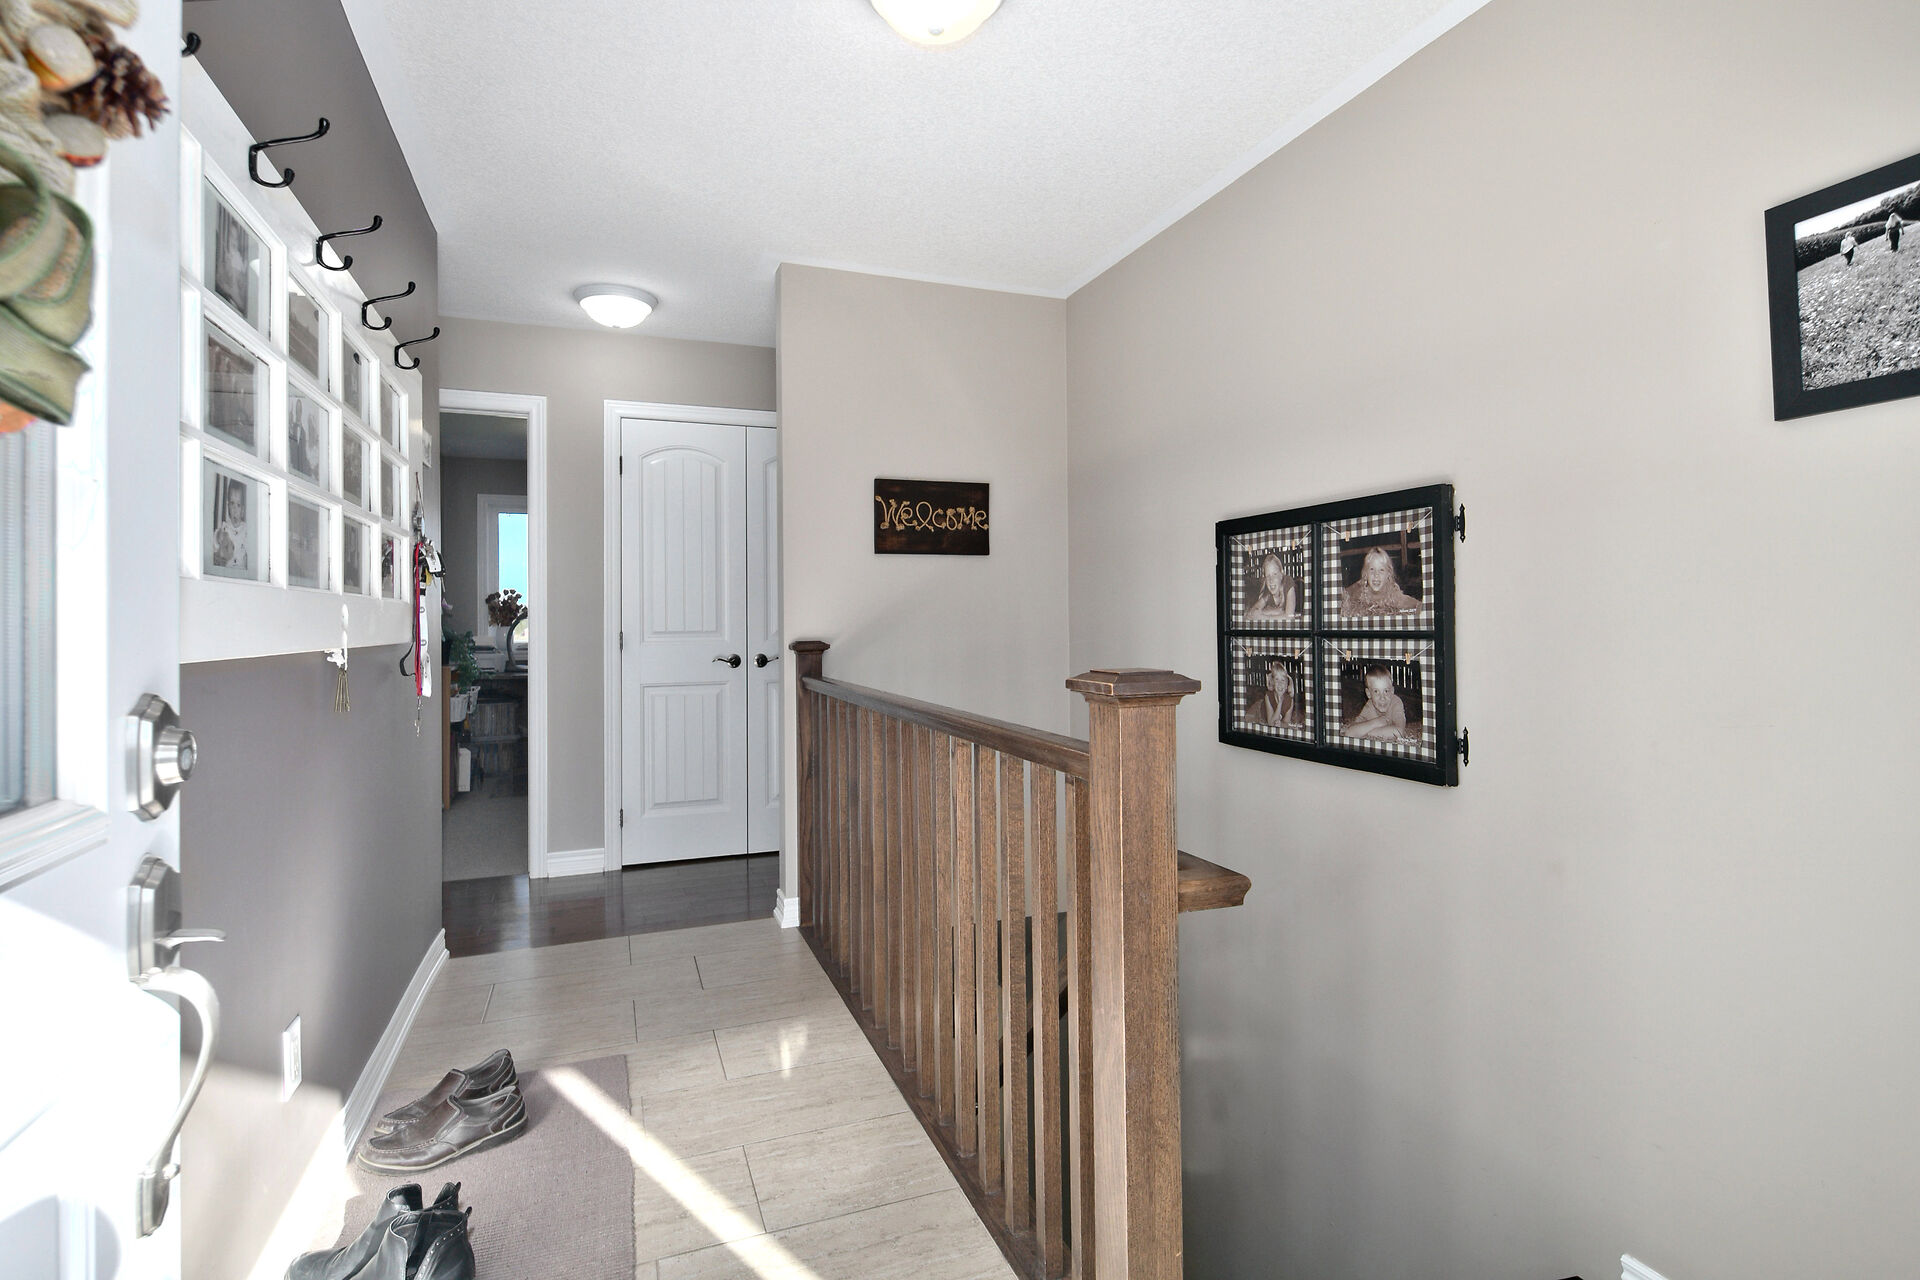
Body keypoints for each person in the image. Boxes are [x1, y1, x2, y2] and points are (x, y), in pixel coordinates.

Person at [1340, 546, 1420, 616]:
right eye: (1372, 569)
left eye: (1381, 570)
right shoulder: (1357, 592)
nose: (1376, 575)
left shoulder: (1396, 597)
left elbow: (1419, 607)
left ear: (1388, 574)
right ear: (1366, 574)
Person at [1342, 663, 1408, 740]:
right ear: (1369, 694)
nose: (1382, 698)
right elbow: (1350, 732)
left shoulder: (1396, 703)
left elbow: (1399, 732)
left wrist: (1368, 732)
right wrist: (1376, 722)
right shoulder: (1369, 706)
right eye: (1376, 691)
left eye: (1386, 691)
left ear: (1392, 691)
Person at [1245, 550, 1299, 621]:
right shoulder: (1268, 592)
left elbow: (1289, 616)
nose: (1271, 580)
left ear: (1281, 574)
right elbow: (1252, 612)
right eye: (1268, 576)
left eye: (1275, 574)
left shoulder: (1288, 583)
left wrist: (1264, 616)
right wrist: (1274, 611)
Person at [1250, 659, 1302, 727]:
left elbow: (1286, 722)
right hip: (1259, 713)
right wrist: (1280, 703)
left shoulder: (1290, 701)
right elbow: (1271, 723)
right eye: (1277, 679)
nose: (1280, 683)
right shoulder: (1268, 696)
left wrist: (1281, 724)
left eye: (1283, 680)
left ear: (1287, 685)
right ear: (1273, 682)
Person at [211, 478, 248, 571]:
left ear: (243, 510)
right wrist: (218, 537)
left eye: (238, 505)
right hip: (227, 570)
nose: (234, 509)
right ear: (228, 505)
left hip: (241, 571)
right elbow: (215, 546)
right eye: (232, 503)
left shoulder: (246, 530)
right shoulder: (224, 527)